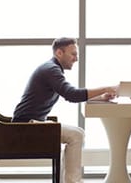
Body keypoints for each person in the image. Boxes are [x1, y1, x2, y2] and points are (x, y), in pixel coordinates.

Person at [12, 37, 117, 183]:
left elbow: (70, 95)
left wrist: (101, 97)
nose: (76, 59)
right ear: (59, 53)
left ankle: (68, 181)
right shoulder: (51, 70)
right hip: (26, 126)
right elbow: (72, 94)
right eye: (73, 54)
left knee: (78, 133)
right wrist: (104, 88)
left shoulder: (51, 69)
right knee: (76, 135)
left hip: (30, 123)